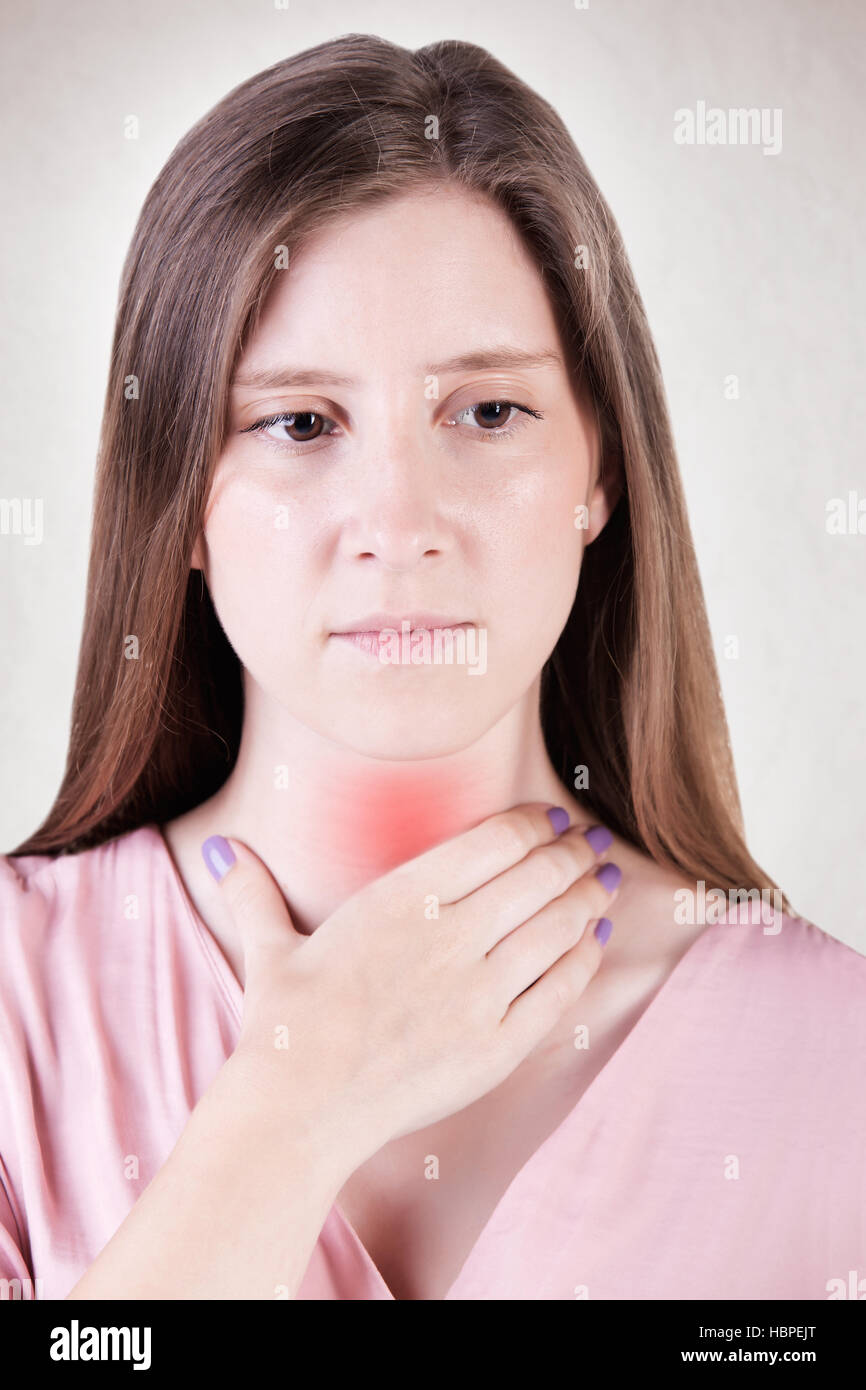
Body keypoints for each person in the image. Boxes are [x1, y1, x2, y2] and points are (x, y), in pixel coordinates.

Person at [1, 34, 863, 1303]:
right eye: (299, 422)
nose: (398, 519)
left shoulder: (828, 1060)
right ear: (177, 500)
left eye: (487, 411)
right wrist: (291, 1107)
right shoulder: (16, 1000)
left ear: (600, 471)